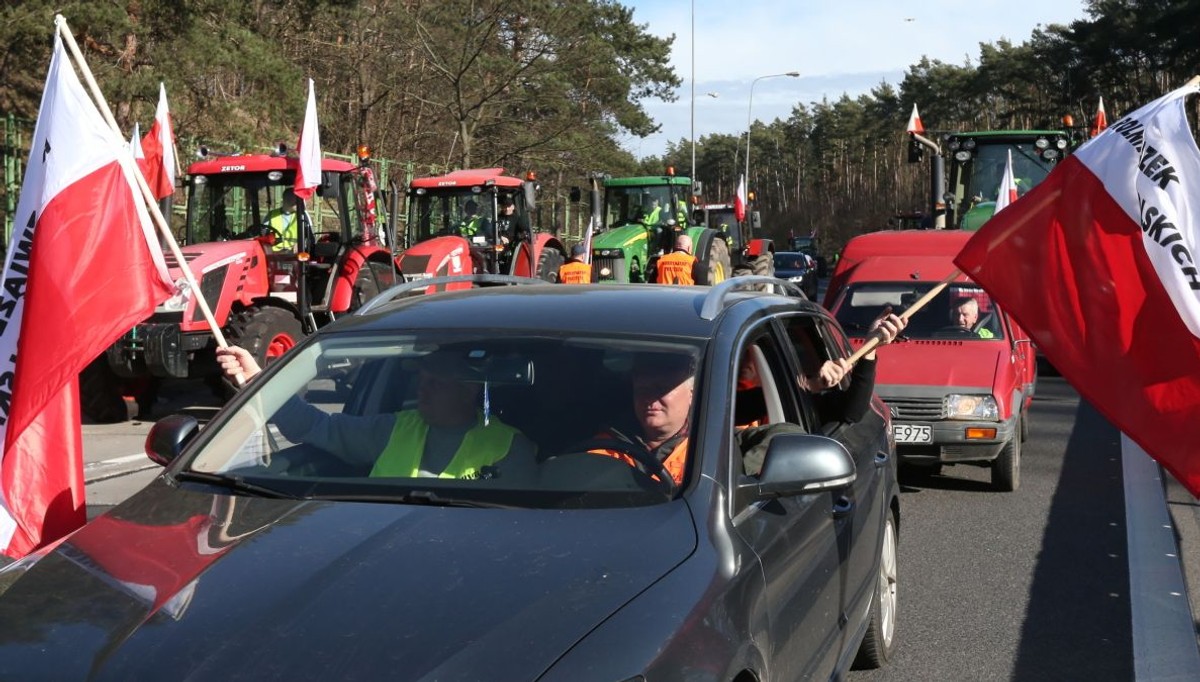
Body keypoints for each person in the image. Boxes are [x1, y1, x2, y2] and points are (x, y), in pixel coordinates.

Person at [215, 345, 538, 481]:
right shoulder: (394, 428)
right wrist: (258, 381)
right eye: (421, 382)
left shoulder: (508, 447)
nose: (421, 391)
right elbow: (312, 426)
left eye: (435, 383)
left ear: (468, 391)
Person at [587, 353, 696, 486]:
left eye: (662, 389)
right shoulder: (602, 449)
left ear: (692, 393)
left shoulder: (707, 452)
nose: (649, 398)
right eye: (642, 389)